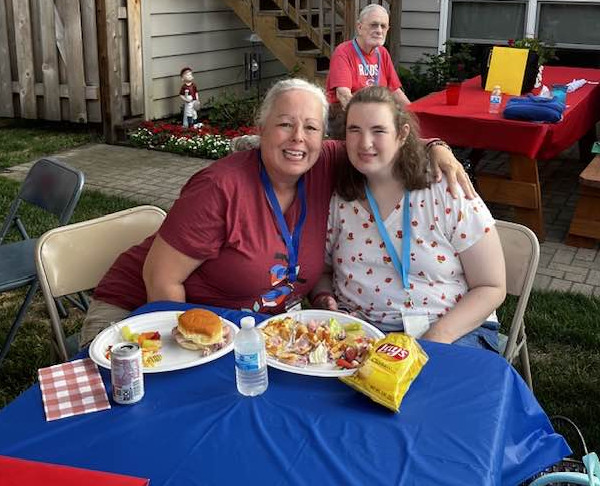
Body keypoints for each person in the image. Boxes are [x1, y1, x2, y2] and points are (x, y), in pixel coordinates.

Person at [79, 79, 473, 348]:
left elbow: (384, 141)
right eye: (285, 124)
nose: (298, 138)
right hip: (144, 316)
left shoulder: (323, 163)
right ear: (262, 128)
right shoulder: (220, 188)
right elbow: (160, 279)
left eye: (311, 127)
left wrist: (436, 147)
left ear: (324, 136)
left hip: (246, 331)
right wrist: (190, 345)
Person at [311, 86, 506, 350]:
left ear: (402, 134)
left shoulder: (444, 189)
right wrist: (324, 297)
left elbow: (491, 286)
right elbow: (323, 270)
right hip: (362, 334)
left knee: (425, 389)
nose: (364, 142)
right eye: (354, 130)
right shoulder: (340, 197)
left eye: (378, 130)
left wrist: (436, 338)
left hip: (450, 331)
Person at [325, 4, 410, 139]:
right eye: (374, 25)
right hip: (344, 115)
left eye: (383, 26)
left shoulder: (382, 53)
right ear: (359, 27)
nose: (379, 30)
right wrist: (370, 119)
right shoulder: (343, 52)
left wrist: (414, 114)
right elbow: (343, 96)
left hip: (377, 114)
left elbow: (396, 92)